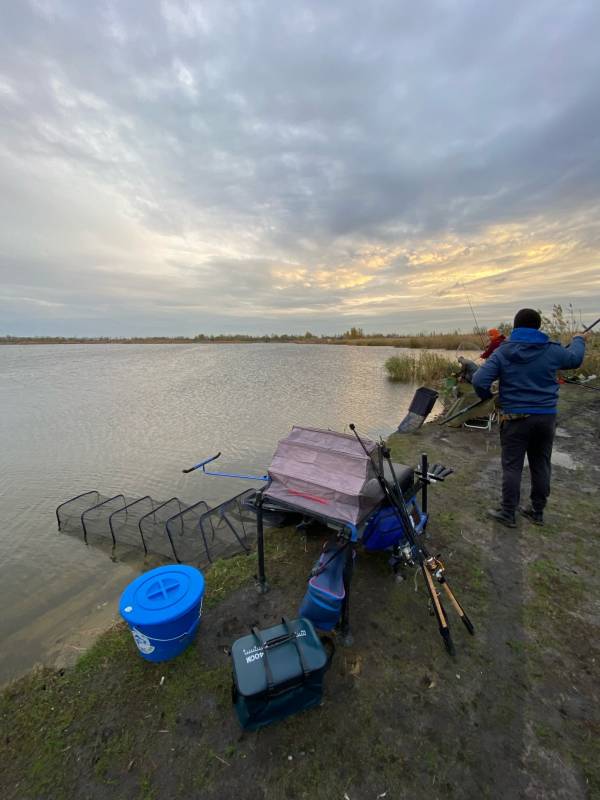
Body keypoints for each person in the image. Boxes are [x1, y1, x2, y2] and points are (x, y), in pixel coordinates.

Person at [472, 308, 587, 528]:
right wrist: (579, 340)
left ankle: (508, 513)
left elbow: (479, 380)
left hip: (515, 418)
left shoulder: (504, 352)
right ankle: (537, 511)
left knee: (512, 466)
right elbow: (574, 359)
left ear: (515, 327)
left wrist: (489, 398)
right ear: (538, 327)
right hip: (545, 418)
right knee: (541, 464)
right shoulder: (552, 350)